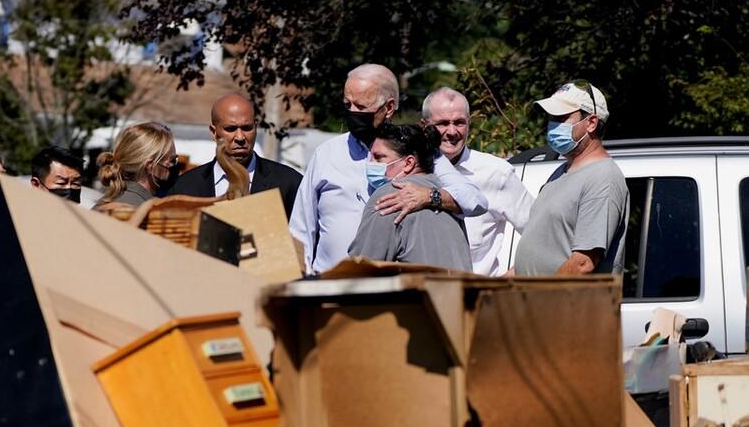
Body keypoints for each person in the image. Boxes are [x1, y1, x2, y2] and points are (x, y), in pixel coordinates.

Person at [289, 63, 487, 274]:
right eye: (348, 105)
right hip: (327, 286)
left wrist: (429, 196)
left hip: (391, 291)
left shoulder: (417, 150)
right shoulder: (326, 154)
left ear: (389, 107)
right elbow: (301, 229)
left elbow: (475, 200)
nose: (352, 113)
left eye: (362, 107)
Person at [513, 81, 628, 275]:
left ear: (591, 123)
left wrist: (535, 299)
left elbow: (583, 263)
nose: (552, 124)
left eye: (561, 117)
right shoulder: (560, 173)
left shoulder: (602, 178)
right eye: (551, 117)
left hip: (560, 304)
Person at [421, 87, 534, 276]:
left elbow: (542, 236)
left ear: (469, 124)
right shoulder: (408, 171)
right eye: (442, 123)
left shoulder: (496, 173)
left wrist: (508, 281)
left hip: (478, 298)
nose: (452, 131)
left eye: (459, 123)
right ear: (424, 126)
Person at [348, 124, 472, 270]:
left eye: (379, 158)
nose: (370, 164)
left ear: (409, 163)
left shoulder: (391, 196)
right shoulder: (448, 199)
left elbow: (361, 268)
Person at [170, 93, 303, 216]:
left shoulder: (289, 184)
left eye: (247, 128)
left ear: (256, 128)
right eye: (231, 129)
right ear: (213, 132)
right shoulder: (184, 188)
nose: (240, 137)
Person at [93, 122, 178, 210]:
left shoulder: (103, 203)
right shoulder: (147, 213)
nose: (175, 165)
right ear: (150, 166)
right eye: (172, 160)